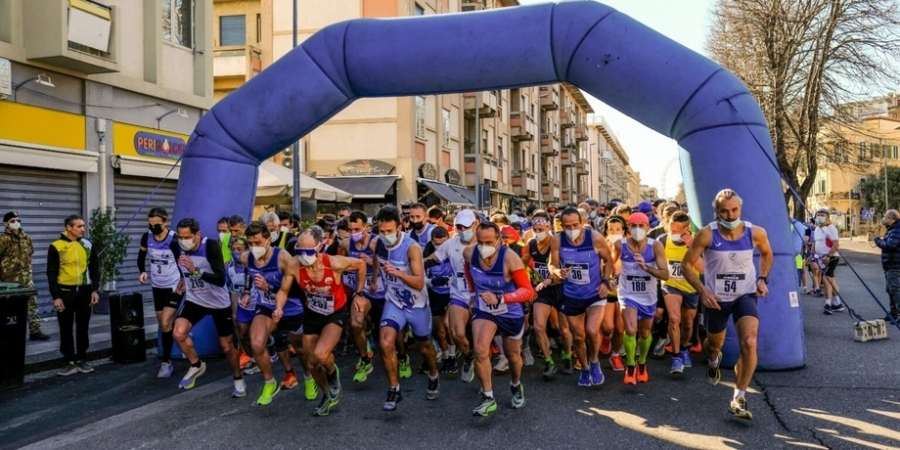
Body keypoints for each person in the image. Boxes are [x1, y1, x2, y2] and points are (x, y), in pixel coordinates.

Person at [682, 189, 773, 420]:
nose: (730, 215)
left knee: (750, 341)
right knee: (714, 345)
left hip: (745, 295)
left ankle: (738, 397)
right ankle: (713, 359)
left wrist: (762, 278)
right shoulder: (706, 235)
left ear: (740, 209)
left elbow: (767, 254)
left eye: (734, 210)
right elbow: (686, 265)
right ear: (717, 212)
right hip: (716, 299)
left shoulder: (756, 233)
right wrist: (703, 291)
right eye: (725, 211)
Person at [278, 226, 365, 416]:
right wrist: (278, 308)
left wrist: (359, 294)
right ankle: (327, 395)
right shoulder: (294, 265)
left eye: (308, 251)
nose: (303, 255)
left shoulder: (333, 263)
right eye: (300, 251)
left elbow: (361, 265)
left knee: (321, 354)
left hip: (335, 312)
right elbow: (284, 290)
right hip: (312, 313)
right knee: (311, 364)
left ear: (320, 246)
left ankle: (333, 375)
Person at [371, 205, 440, 411]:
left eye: (389, 231)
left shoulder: (412, 247)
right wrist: (375, 279)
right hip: (394, 301)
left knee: (425, 347)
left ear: (400, 227)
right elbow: (377, 260)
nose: (385, 235)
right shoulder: (379, 243)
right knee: (385, 343)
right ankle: (394, 388)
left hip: (416, 304)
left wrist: (399, 273)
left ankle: (434, 375)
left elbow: (419, 282)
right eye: (382, 231)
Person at [464, 221, 535, 416]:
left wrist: (501, 297)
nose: (483, 246)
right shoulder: (470, 253)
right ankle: (488, 397)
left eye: (488, 242)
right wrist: (472, 294)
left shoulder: (510, 258)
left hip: (509, 310)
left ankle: (516, 384)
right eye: (480, 241)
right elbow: (469, 271)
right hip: (484, 308)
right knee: (479, 348)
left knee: (513, 355)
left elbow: (527, 292)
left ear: (499, 241)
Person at [170, 218, 244, 394]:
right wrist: (183, 279)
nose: (183, 240)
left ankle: (238, 378)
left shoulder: (210, 245)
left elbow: (220, 279)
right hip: (195, 299)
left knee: (226, 345)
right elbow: (182, 267)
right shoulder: (175, 245)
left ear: (198, 234)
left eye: (187, 237)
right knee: (178, 333)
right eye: (180, 236)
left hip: (219, 302)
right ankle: (197, 365)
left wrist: (195, 271)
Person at [241, 221, 311, 405]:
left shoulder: (284, 258)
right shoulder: (247, 257)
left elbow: (297, 288)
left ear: (268, 240)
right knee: (256, 344)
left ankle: (309, 378)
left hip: (291, 308)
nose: (253, 247)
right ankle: (269, 382)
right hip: (266, 307)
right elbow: (248, 272)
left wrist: (269, 286)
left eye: (257, 242)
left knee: (301, 349)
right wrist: (248, 291)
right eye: (250, 243)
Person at [549, 207, 613, 387]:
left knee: (592, 331)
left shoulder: (594, 238)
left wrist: (605, 281)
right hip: (571, 295)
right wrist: (557, 271)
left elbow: (608, 260)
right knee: (578, 337)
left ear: (583, 223)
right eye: (567, 226)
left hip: (595, 293)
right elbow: (552, 264)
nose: (571, 229)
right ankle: (584, 367)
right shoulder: (557, 240)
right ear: (561, 225)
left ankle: (594, 361)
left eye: (575, 225)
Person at [612, 213, 669, 384]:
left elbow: (665, 274)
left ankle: (642, 363)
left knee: (645, 333)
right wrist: (610, 274)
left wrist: (646, 267)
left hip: (648, 296)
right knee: (630, 330)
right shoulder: (619, 245)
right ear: (628, 228)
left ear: (647, 227)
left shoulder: (656, 246)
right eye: (634, 225)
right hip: (627, 294)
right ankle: (630, 367)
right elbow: (608, 263)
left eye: (641, 225)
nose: (637, 229)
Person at [427, 209, 480, 381]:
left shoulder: (486, 241)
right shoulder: (451, 243)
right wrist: (414, 265)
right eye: (458, 227)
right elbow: (433, 258)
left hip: (482, 296)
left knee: (482, 338)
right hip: (459, 295)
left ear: (475, 224)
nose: (462, 231)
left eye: (465, 227)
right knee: (455, 332)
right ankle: (468, 355)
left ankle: (487, 365)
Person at [521, 210, 573, 380]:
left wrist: (551, 278)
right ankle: (549, 361)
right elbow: (521, 267)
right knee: (539, 326)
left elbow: (560, 265)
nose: (538, 232)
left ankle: (567, 355)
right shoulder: (531, 244)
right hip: (542, 290)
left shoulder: (557, 242)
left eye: (541, 229)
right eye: (535, 229)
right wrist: (527, 285)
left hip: (560, 288)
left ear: (549, 226)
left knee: (563, 329)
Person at [47, 215, 100, 376]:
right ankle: (69, 361)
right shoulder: (56, 246)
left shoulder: (88, 244)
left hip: (84, 291)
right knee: (65, 327)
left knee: (83, 327)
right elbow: (51, 272)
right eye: (79, 226)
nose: (83, 229)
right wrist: (56, 296)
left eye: (83, 226)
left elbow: (95, 269)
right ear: (69, 228)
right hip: (65, 292)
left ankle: (82, 358)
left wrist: (95, 289)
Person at [137, 207, 182, 378]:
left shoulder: (173, 240)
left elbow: (181, 262)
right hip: (157, 286)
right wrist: (142, 271)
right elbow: (141, 256)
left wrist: (183, 281)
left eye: (156, 225)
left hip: (173, 286)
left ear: (164, 222)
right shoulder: (146, 237)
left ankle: (166, 362)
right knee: (165, 325)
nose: (153, 228)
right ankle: (179, 342)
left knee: (164, 322)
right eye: (150, 224)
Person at [659, 212, 703, 375]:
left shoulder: (698, 240)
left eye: (677, 230)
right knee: (675, 319)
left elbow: (702, 268)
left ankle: (684, 348)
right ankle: (676, 357)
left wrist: (691, 247)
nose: (673, 232)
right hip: (670, 285)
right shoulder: (662, 240)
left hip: (691, 287)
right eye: (671, 228)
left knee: (688, 323)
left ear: (687, 229)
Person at [344, 210, 384, 384]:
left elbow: (395, 266)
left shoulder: (377, 242)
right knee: (355, 323)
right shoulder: (347, 244)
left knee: (390, 336)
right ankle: (365, 359)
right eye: (351, 229)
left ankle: (403, 356)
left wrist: (372, 262)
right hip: (362, 291)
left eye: (357, 229)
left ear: (366, 227)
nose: (353, 233)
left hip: (382, 290)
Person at [0, 212, 49, 341]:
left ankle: (35, 331)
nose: (15, 222)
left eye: (17, 220)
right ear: (5, 223)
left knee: (32, 305)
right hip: (9, 281)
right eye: (12, 220)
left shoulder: (26, 238)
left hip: (26, 279)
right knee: (9, 308)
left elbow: (30, 254)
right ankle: (9, 331)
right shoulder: (3, 239)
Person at [423, 226, 453, 373]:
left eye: (444, 243)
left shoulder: (455, 251)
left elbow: (464, 274)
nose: (441, 247)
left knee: (448, 325)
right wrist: (430, 282)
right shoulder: (427, 253)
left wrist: (447, 280)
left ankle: (453, 356)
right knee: (439, 331)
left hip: (452, 294)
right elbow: (418, 274)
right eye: (437, 244)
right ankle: (447, 356)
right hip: (434, 294)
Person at [810, 208, 844, 315]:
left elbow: (836, 244)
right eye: (818, 215)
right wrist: (812, 255)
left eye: (822, 215)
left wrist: (828, 256)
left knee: (826, 280)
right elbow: (815, 243)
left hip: (831, 257)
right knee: (832, 280)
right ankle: (837, 304)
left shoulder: (830, 228)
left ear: (828, 216)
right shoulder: (817, 228)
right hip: (820, 258)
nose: (819, 217)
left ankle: (828, 304)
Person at [874, 209, 900, 322]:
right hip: (890, 264)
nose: (883, 219)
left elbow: (890, 245)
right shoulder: (892, 229)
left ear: (891, 218)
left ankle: (898, 313)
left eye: (885, 217)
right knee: (890, 289)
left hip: (894, 264)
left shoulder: (896, 230)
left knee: (895, 289)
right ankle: (893, 314)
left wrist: (877, 241)